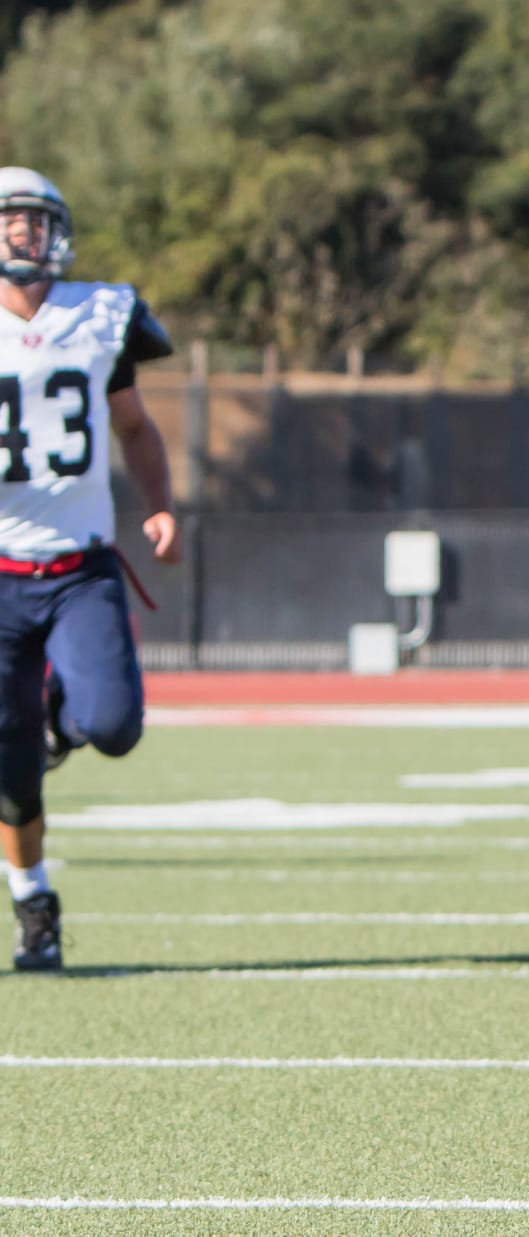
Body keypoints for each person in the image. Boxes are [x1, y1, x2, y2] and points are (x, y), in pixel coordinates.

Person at [0, 167, 178, 971]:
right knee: (8, 773)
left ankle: (58, 714)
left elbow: (134, 426)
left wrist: (162, 502)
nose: (23, 236)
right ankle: (33, 901)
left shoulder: (99, 315)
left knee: (111, 725)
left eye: (35, 222)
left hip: (79, 566)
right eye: (11, 222)